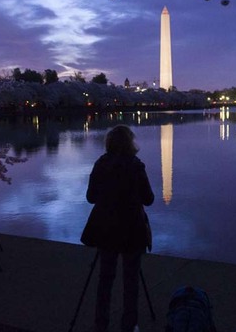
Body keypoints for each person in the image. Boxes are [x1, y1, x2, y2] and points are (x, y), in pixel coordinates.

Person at [83, 125, 154, 332]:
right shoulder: (136, 166)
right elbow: (148, 199)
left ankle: (101, 323)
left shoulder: (101, 164)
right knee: (131, 280)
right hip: (132, 228)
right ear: (130, 143)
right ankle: (129, 324)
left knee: (105, 278)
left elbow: (91, 197)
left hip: (106, 229)